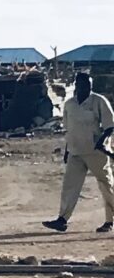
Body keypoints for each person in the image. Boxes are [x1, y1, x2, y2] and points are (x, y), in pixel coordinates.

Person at [43, 69, 114, 232]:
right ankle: (62, 219)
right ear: (77, 85)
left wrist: (102, 143)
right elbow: (70, 130)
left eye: (89, 85)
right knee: (70, 186)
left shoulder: (99, 101)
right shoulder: (70, 104)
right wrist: (67, 151)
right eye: (83, 85)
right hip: (76, 151)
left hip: (96, 152)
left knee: (106, 185)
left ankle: (109, 221)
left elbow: (109, 126)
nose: (87, 88)